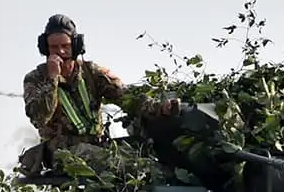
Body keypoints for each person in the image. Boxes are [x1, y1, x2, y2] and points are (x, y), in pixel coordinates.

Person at [18, 14, 176, 177]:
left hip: (98, 147)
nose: (61, 52)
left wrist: (160, 108)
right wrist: (52, 80)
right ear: (45, 48)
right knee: (125, 165)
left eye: (66, 46)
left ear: (76, 46)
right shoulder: (35, 79)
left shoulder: (91, 72)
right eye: (54, 48)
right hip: (63, 154)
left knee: (146, 154)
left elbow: (127, 97)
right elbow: (39, 118)